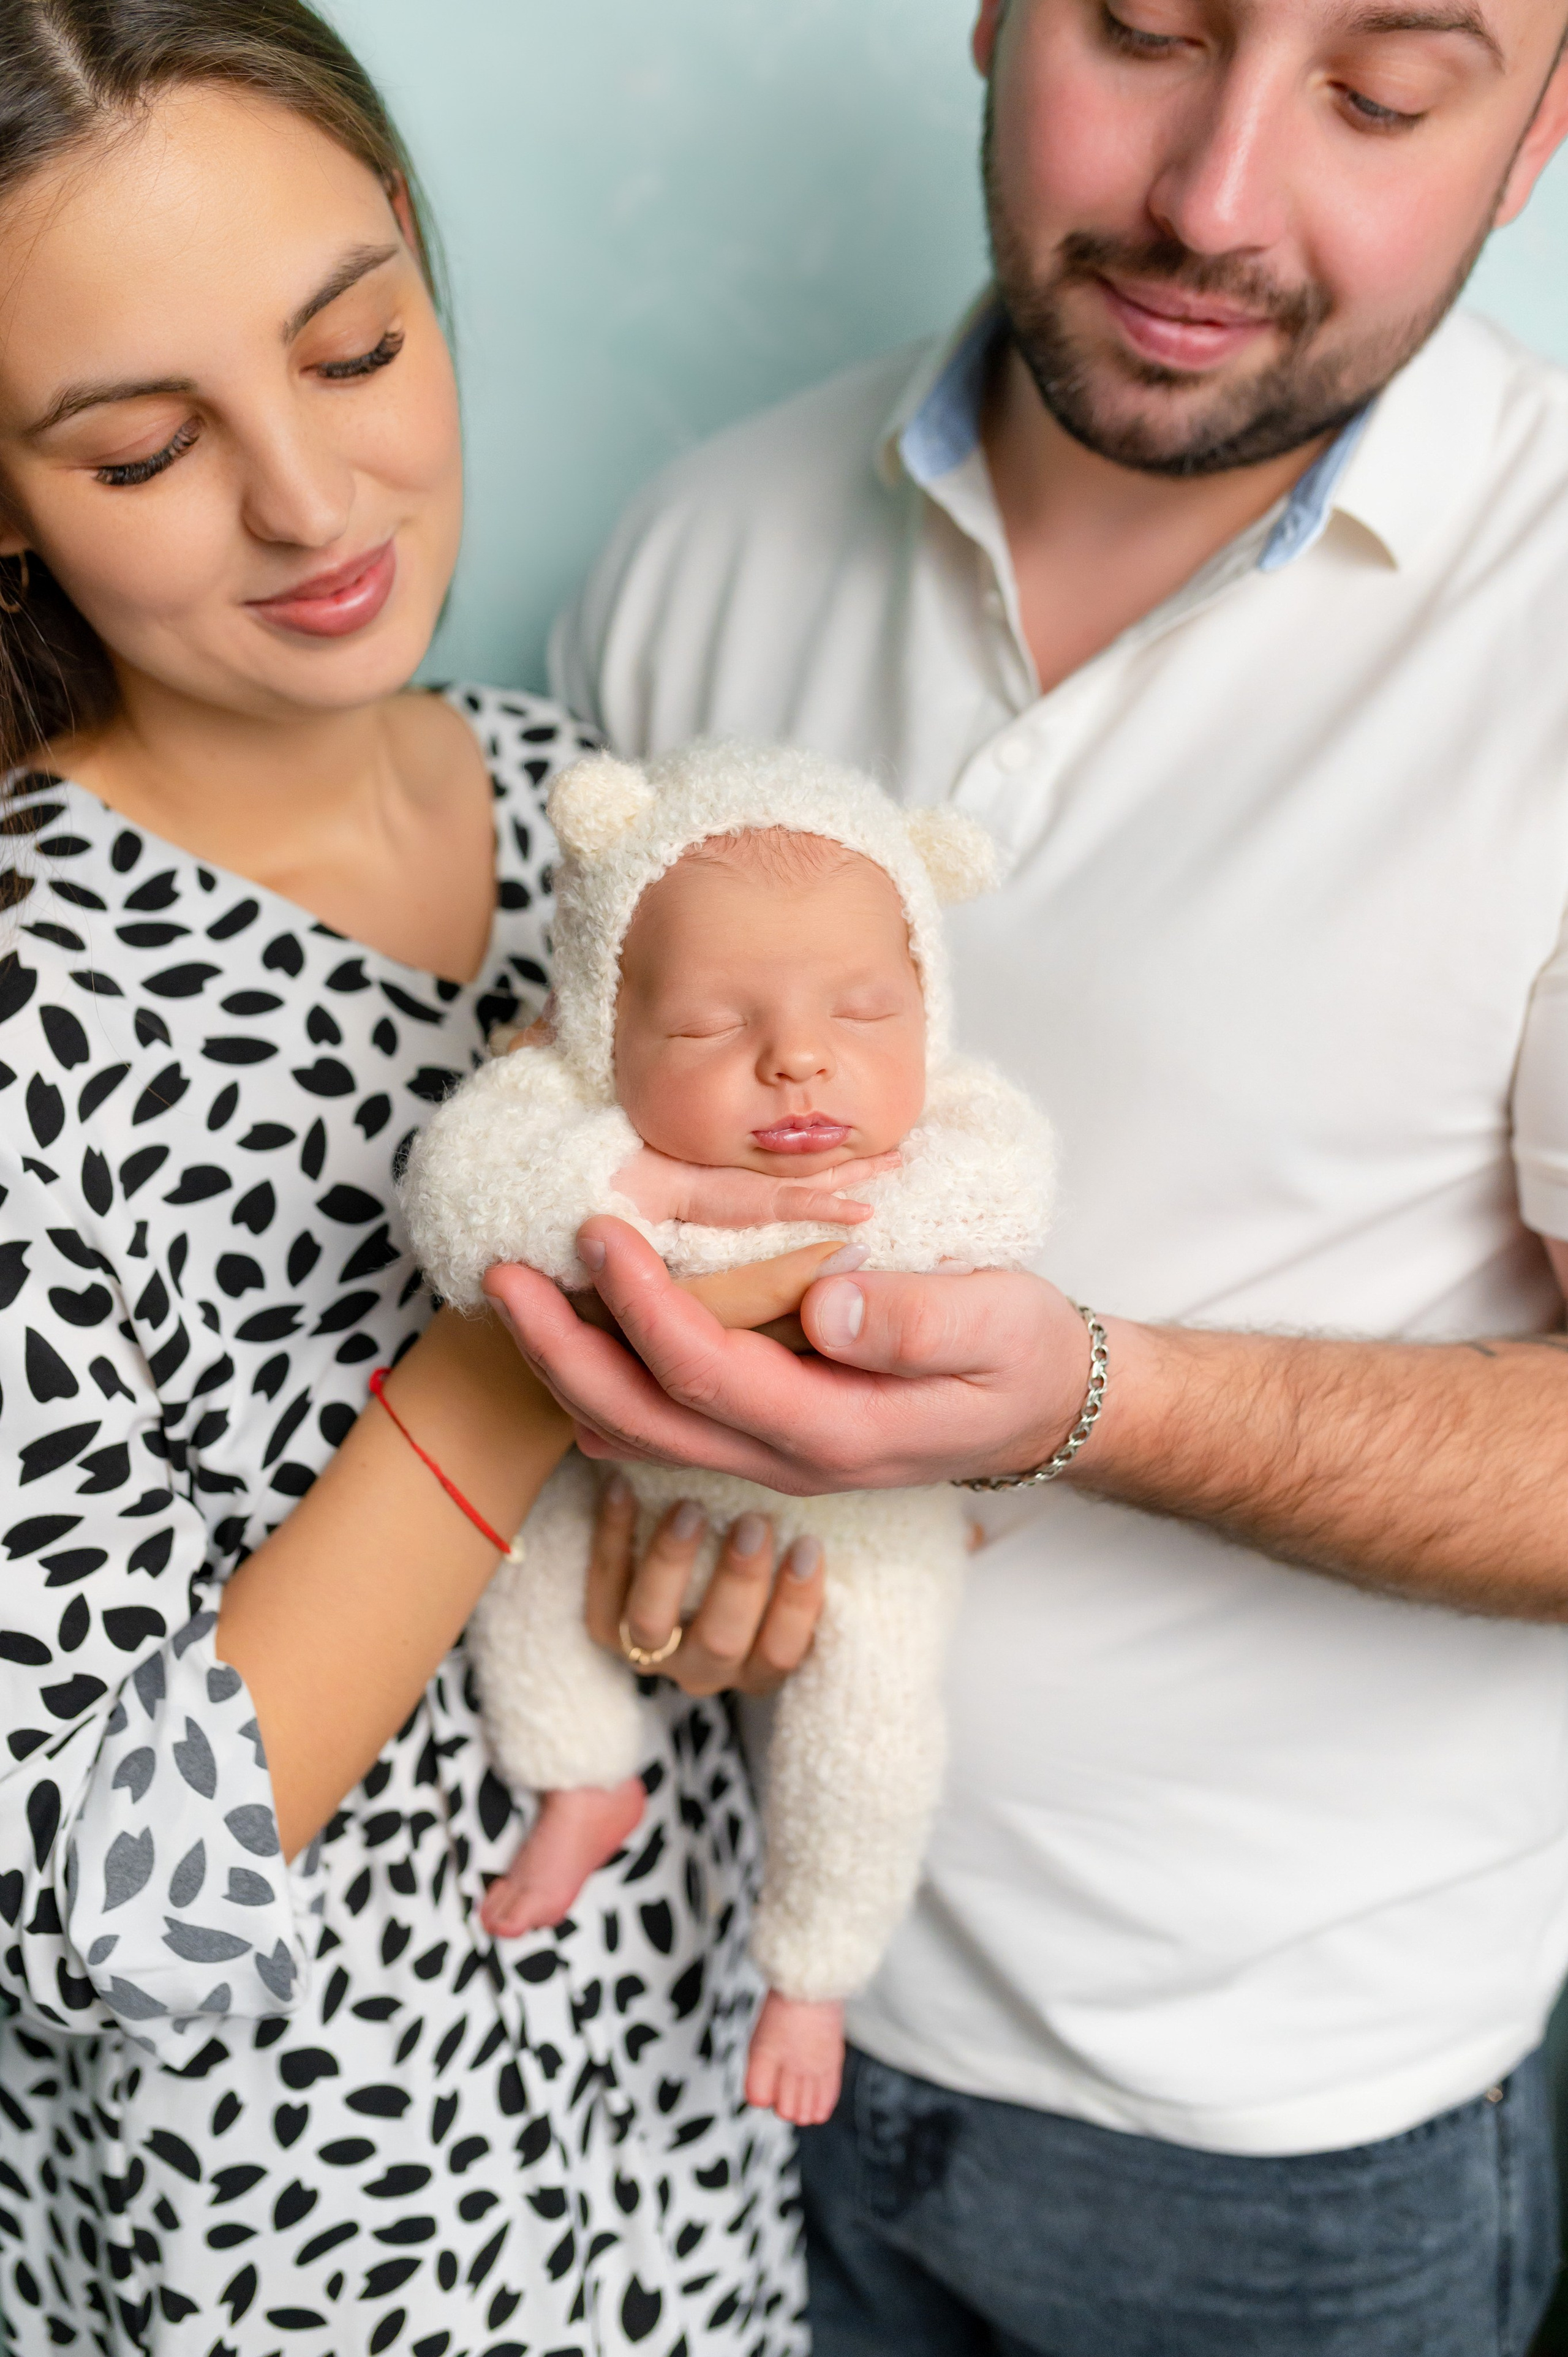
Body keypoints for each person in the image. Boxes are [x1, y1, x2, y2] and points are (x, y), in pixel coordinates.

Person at [489, 0, 1568, 2347]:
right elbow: (558, 1163)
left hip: (1276, 2146)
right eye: (1148, 30)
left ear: (1545, 125)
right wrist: (666, 1515)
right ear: (984, 11)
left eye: (1385, 93)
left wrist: (1094, 1396)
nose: (1211, 192)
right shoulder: (701, 544)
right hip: (702, 2040)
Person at [0, 6, 823, 2350]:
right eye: (148, 445)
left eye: (356, 347)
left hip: (678, 2188)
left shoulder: (595, 814)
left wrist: (733, 1558)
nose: (309, 498)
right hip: (313, 2267)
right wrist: (520, 1365)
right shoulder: (33, 1008)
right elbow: (104, 1915)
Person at [398, 742, 1052, 2129]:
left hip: (865, 1527)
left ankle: (813, 1968)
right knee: (514, 1563)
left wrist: (836, 1218)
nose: (797, 1059)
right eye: (706, 1029)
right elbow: (458, 1204)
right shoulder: (565, 1110)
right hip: (617, 1472)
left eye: (864, 1011)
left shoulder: (943, 1130)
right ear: (598, 1027)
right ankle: (583, 1776)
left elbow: (1001, 1195)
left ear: (925, 1006)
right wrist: (641, 1181)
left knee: (870, 1718)